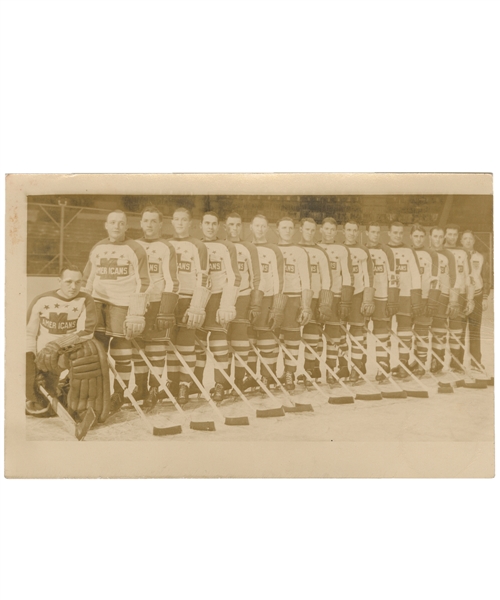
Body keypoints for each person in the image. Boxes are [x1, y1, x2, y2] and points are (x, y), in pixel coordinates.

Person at [82, 210, 150, 409]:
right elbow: (88, 278)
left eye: (121, 223)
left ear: (127, 226)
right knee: (97, 351)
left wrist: (136, 310)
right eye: (113, 222)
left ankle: (119, 393)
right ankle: (96, 394)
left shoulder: (135, 248)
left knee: (121, 352)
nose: (117, 226)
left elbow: (144, 281)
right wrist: (83, 304)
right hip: (97, 302)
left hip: (122, 303)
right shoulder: (98, 247)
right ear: (106, 225)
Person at [26, 265, 98, 416]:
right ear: (59, 281)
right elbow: (29, 333)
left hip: (71, 352)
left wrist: (59, 344)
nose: (73, 287)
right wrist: (30, 359)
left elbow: (86, 332)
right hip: (44, 357)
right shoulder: (42, 300)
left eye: (78, 282)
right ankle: (55, 392)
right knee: (42, 405)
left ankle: (76, 398)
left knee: (89, 355)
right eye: (68, 282)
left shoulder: (85, 299)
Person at [133, 205, 179, 405]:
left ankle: (154, 388)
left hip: (157, 302)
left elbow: (171, 280)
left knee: (156, 347)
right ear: (141, 223)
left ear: (161, 224)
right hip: (136, 303)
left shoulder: (166, 247)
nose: (149, 224)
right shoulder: (133, 245)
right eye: (146, 220)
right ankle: (140, 387)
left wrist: (166, 308)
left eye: (154, 221)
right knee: (137, 347)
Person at [193, 212, 241, 402]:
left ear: (219, 226)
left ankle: (220, 384)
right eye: (207, 223)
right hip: (197, 298)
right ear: (200, 225)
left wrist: (227, 303)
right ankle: (194, 384)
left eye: (214, 224)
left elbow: (234, 276)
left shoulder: (226, 246)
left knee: (219, 342)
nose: (210, 227)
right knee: (196, 343)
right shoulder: (195, 245)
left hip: (218, 298)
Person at [167, 207, 210, 403]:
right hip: (169, 299)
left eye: (184, 219)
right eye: (177, 219)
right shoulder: (166, 244)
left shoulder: (198, 246)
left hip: (188, 298)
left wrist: (197, 304)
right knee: (169, 345)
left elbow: (203, 276)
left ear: (190, 223)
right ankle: (172, 382)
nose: (180, 223)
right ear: (172, 222)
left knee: (186, 345)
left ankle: (185, 385)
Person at [224, 213, 263, 390]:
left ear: (242, 227)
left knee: (240, 338)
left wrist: (255, 302)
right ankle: (222, 381)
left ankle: (239, 380)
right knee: (222, 340)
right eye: (231, 224)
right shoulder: (219, 246)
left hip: (242, 296)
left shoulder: (248, 247)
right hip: (222, 297)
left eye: (238, 225)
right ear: (225, 226)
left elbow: (256, 277)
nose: (234, 228)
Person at [247, 214, 286, 388]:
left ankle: (266, 376)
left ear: (267, 228)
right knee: (248, 338)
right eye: (257, 226)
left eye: (264, 226)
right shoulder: (245, 247)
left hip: (267, 298)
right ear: (251, 227)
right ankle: (248, 376)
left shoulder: (273, 250)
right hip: (247, 297)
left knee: (266, 338)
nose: (260, 229)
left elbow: (278, 278)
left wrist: (277, 306)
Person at [276, 216, 314, 390]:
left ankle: (290, 372)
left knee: (292, 338)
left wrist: (306, 305)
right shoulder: (273, 249)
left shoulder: (299, 251)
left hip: (293, 299)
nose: (287, 231)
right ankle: (268, 374)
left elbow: (306, 280)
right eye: (284, 228)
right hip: (274, 298)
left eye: (290, 228)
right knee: (271, 339)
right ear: (277, 230)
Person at [318, 217, 353, 383]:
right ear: (321, 230)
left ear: (336, 232)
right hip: (318, 297)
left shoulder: (342, 249)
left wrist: (345, 300)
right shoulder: (315, 248)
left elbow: (347, 275)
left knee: (335, 335)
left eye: (332, 229)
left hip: (336, 296)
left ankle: (334, 368)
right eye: (326, 229)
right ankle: (313, 369)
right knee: (315, 335)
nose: (329, 232)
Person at [385, 221, 423, 378]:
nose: (398, 235)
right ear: (389, 233)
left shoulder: (408, 251)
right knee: (384, 331)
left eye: (400, 233)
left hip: (405, 296)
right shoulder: (383, 250)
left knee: (404, 332)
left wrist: (415, 297)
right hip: (386, 296)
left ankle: (403, 364)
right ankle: (384, 364)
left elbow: (415, 274)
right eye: (395, 232)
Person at [298, 218, 332, 385]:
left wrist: (325, 302)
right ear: (300, 229)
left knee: (313, 335)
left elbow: (327, 279)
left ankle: (311, 368)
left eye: (313, 230)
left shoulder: (320, 252)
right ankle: (286, 371)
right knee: (287, 335)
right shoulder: (294, 249)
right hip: (293, 297)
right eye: (307, 229)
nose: (310, 233)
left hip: (315, 297)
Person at [364, 222, 399, 382]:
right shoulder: (362, 250)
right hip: (365, 296)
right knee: (361, 332)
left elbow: (393, 276)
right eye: (372, 231)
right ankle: (359, 367)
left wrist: (391, 298)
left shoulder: (387, 251)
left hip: (383, 297)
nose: (375, 235)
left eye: (378, 232)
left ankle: (383, 365)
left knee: (382, 332)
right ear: (366, 233)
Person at [341, 220, 374, 383]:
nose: (352, 233)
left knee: (357, 332)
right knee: (339, 332)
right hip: (340, 296)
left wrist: (367, 298)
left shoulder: (363, 250)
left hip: (358, 295)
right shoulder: (339, 249)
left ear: (358, 232)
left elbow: (369, 276)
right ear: (343, 231)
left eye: (355, 230)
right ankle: (341, 367)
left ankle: (356, 367)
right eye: (349, 230)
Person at [409, 224, 440, 376]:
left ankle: (421, 364)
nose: (419, 239)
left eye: (421, 236)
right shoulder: (407, 252)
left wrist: (432, 300)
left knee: (421, 331)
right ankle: (413, 361)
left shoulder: (432, 254)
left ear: (425, 238)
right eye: (416, 236)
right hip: (408, 298)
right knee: (409, 333)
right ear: (410, 237)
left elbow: (435, 279)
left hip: (425, 297)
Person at [444, 224, 476, 371]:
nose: (452, 237)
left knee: (457, 330)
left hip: (461, 294)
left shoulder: (463, 253)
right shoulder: (439, 251)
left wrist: (470, 298)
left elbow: (469, 276)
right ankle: (436, 362)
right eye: (449, 234)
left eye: (454, 235)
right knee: (438, 329)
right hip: (442, 294)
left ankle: (456, 362)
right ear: (445, 235)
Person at [428, 226, 458, 372]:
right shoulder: (425, 252)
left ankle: (437, 359)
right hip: (426, 295)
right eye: (435, 236)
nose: (438, 239)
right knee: (421, 327)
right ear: (430, 237)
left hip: (443, 295)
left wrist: (453, 300)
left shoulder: (449, 255)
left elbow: (454, 278)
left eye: (441, 237)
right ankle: (418, 359)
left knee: (438, 328)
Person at [461, 230, 491, 370]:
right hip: (461, 296)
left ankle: (475, 362)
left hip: (477, 296)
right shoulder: (457, 256)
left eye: (470, 239)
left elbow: (486, 278)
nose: (467, 241)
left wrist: (485, 296)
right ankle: (457, 363)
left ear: (474, 241)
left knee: (474, 330)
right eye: (465, 238)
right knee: (459, 330)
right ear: (461, 241)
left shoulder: (480, 257)